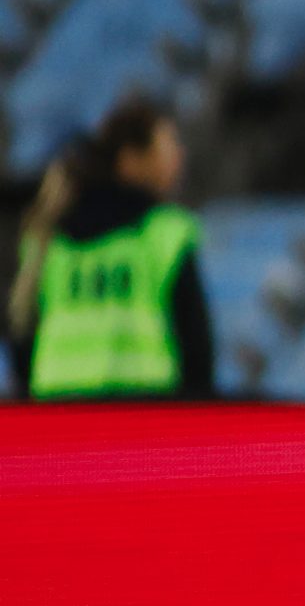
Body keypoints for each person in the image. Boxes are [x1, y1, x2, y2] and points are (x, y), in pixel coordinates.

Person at [10, 96, 216, 401]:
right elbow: (196, 346)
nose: (178, 157)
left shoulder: (46, 235)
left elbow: (23, 334)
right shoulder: (165, 233)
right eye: (167, 146)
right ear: (130, 159)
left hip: (55, 412)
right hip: (142, 412)